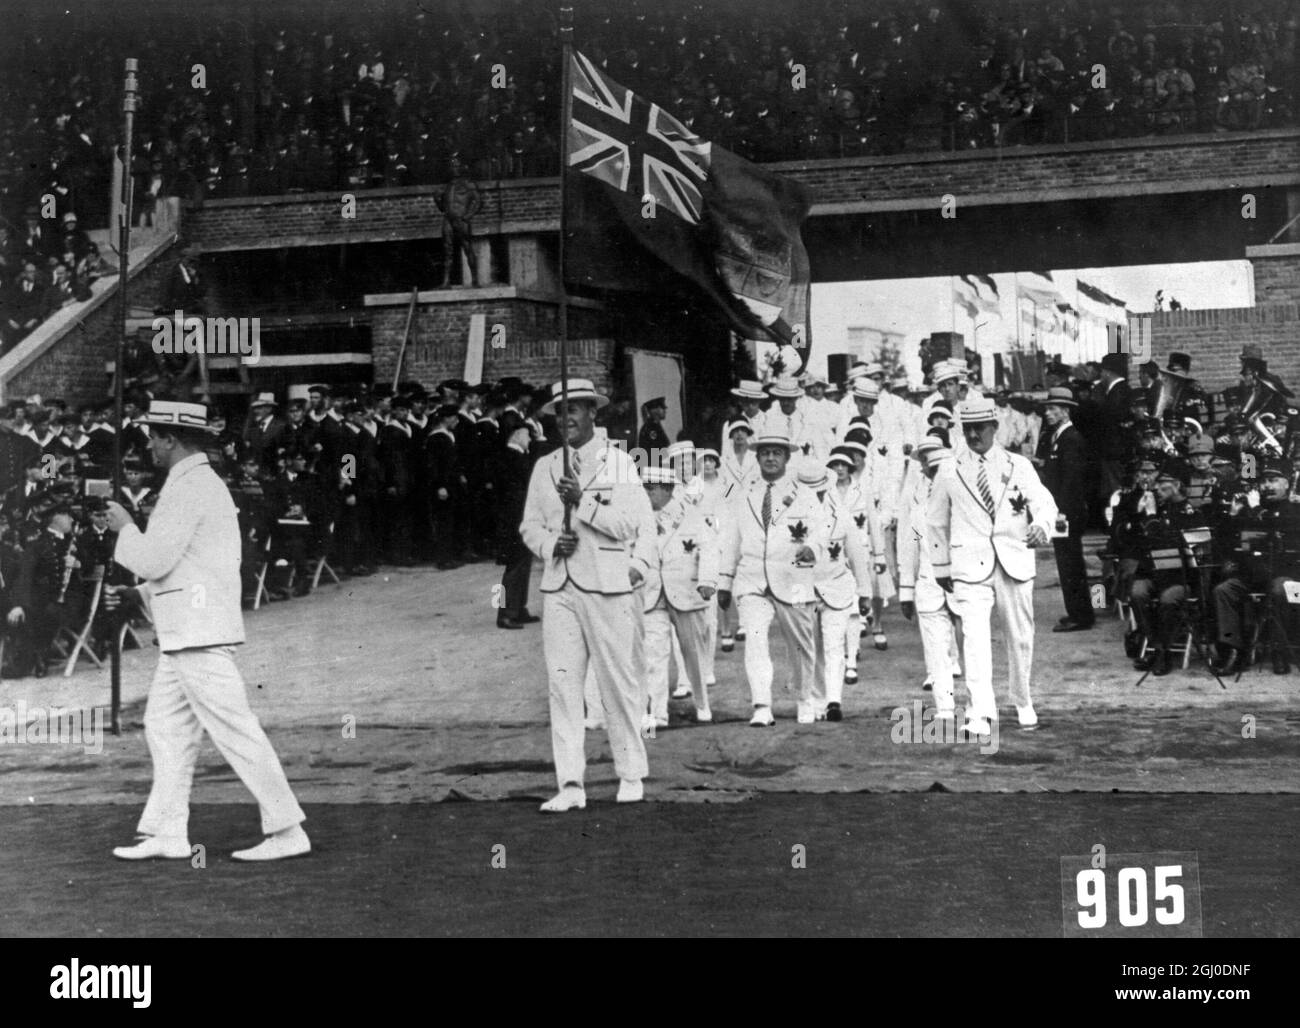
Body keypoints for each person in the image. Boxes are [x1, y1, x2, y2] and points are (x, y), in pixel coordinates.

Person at [103, 400, 309, 861]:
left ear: (170, 438)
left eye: (153, 437)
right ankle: (169, 831)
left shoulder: (191, 488)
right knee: (166, 727)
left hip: (197, 633)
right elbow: (192, 566)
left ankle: (288, 828)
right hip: (189, 631)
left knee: (235, 729)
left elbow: (156, 559)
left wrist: (125, 528)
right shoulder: (196, 484)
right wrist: (141, 595)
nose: (149, 446)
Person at [519, 378, 656, 812]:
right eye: (559, 413)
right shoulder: (545, 466)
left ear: (593, 413)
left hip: (608, 586)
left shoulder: (617, 462)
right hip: (559, 587)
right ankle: (571, 784)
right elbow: (530, 526)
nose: (566, 420)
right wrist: (547, 546)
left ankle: (630, 773)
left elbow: (630, 525)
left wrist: (583, 502)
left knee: (618, 684)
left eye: (574, 410)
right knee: (562, 687)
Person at [927, 397, 1058, 736]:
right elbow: (936, 522)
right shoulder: (949, 468)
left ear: (994, 429)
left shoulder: (1018, 465)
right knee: (974, 638)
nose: (973, 435)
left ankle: (1022, 699)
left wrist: (1042, 526)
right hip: (969, 565)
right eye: (967, 429)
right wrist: (941, 566)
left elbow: (1044, 502)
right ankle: (980, 711)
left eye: (980, 429)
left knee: (1020, 637)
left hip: (1014, 560)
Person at [707, 432, 828, 726]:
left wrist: (812, 547)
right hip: (752, 579)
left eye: (776, 452)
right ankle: (761, 705)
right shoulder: (744, 494)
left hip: (794, 576)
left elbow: (821, 528)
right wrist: (724, 581)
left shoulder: (804, 493)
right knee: (755, 640)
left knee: (801, 643)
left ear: (787, 457)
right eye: (765, 453)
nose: (770, 458)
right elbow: (731, 538)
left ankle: (805, 699)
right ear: (757, 457)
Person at [638, 464, 718, 727]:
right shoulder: (639, 517)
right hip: (652, 594)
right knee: (654, 653)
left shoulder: (691, 515)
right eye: (644, 488)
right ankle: (657, 712)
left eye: (651, 489)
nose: (646, 494)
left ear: (668, 489)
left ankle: (702, 703)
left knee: (692, 653)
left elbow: (709, 548)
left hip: (685, 591)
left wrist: (707, 580)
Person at [898, 439, 959, 720]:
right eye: (925, 464)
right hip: (927, 582)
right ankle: (945, 709)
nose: (928, 470)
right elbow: (908, 547)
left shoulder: (962, 497)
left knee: (972, 648)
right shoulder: (916, 502)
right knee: (935, 651)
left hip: (963, 582)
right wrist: (906, 591)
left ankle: (980, 709)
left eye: (934, 465)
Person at [805, 464, 871, 721]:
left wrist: (864, 592)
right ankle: (815, 699)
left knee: (834, 645)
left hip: (838, 587)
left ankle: (833, 700)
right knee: (811, 648)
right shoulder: (794, 519)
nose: (818, 497)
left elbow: (856, 555)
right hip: (807, 590)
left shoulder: (841, 516)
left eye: (821, 491)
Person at [1128, 461, 1202, 677]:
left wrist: (1151, 518)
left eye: (1163, 485)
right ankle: (1157, 646)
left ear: (1177, 485)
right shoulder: (1155, 508)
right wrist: (1140, 515)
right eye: (1157, 486)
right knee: (1137, 591)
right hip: (1155, 575)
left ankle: (1163, 652)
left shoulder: (1191, 512)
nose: (1157, 490)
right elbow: (1137, 543)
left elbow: (1177, 544)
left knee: (1169, 599)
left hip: (1181, 578)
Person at [1039, 387, 1094, 632]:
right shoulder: (1060, 437)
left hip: (1067, 513)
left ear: (1065, 411)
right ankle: (1077, 611)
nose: (1048, 413)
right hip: (1064, 510)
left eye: (1052, 409)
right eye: (1047, 408)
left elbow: (1072, 480)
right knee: (1067, 562)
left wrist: (1061, 511)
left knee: (1070, 564)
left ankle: (1080, 616)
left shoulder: (1070, 438)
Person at [496, 423, 536, 629]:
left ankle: (518, 608)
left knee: (522, 565)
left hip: (518, 518)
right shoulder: (511, 457)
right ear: (517, 435)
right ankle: (505, 613)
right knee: (513, 568)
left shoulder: (516, 457)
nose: (529, 439)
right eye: (527, 435)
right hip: (514, 519)